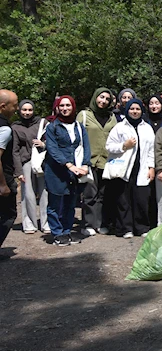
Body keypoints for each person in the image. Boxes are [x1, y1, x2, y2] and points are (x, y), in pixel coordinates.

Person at [43, 96, 90, 246]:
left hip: (74, 170)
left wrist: (85, 164)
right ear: (57, 107)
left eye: (68, 105)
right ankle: (57, 233)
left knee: (70, 202)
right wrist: (68, 164)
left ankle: (67, 231)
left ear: (73, 107)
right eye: (61, 106)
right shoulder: (52, 127)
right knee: (55, 203)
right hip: (56, 170)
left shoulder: (78, 126)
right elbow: (52, 149)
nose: (65, 108)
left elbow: (86, 146)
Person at [106, 99, 154, 238]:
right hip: (124, 168)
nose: (135, 111)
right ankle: (125, 228)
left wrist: (152, 167)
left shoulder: (147, 127)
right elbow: (109, 146)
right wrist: (124, 145)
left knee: (141, 199)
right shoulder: (120, 127)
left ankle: (141, 227)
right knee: (124, 199)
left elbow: (151, 149)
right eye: (132, 109)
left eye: (137, 109)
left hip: (142, 167)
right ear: (127, 110)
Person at [79, 87, 117, 235]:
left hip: (107, 161)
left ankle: (102, 223)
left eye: (107, 99)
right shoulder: (84, 115)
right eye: (101, 97)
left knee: (104, 195)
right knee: (89, 194)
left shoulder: (112, 117)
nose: (104, 101)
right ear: (95, 97)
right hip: (89, 160)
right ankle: (88, 224)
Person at [12, 100, 49, 234]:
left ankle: (46, 223)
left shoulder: (42, 123)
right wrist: (18, 171)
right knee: (28, 194)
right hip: (25, 163)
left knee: (45, 192)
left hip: (41, 162)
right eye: (24, 110)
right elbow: (15, 150)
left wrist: (43, 144)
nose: (27, 113)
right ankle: (29, 223)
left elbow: (50, 140)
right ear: (20, 110)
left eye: (30, 110)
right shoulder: (15, 127)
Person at [0, 90, 18, 249]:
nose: (16, 108)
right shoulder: (4, 129)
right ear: (3, 106)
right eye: (14, 105)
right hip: (3, 178)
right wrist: (3, 184)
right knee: (8, 214)